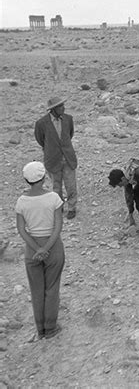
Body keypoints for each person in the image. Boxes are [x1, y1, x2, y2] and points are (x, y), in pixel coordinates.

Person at [15, 161, 65, 340]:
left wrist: (37, 248)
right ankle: (51, 327)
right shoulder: (54, 198)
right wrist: (46, 248)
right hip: (53, 247)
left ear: (26, 180)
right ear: (44, 177)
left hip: (32, 249)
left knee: (36, 289)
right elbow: (58, 226)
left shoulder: (21, 201)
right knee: (52, 287)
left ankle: (40, 329)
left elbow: (21, 229)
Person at [34, 96, 78, 220]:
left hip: (68, 158)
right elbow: (40, 139)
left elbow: (70, 134)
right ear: (53, 109)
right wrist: (51, 148)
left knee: (71, 185)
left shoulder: (68, 119)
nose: (63, 108)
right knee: (56, 186)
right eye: (60, 106)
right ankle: (59, 207)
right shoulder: (41, 123)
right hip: (52, 159)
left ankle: (72, 208)